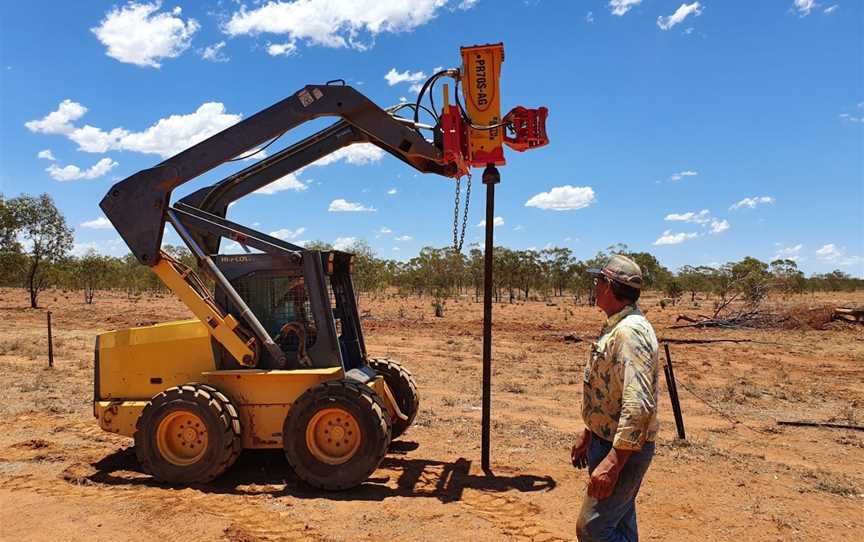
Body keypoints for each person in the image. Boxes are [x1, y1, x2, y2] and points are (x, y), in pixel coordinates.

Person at [571, 254, 659, 542]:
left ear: (608, 285)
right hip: (606, 441)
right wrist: (589, 432)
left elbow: (638, 405)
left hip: (622, 449)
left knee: (593, 529)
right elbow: (609, 389)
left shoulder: (631, 333)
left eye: (598, 280)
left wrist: (613, 462)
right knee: (619, 524)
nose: (594, 286)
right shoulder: (617, 324)